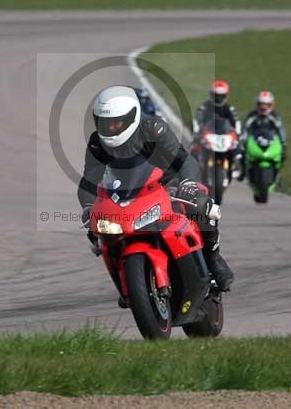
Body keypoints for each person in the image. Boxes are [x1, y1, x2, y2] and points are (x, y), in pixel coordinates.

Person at [78, 85, 234, 290]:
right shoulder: (97, 142)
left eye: (117, 122)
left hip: (169, 185)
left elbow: (185, 161)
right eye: (105, 123)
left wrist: (187, 184)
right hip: (126, 194)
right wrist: (89, 207)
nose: (111, 128)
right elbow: (89, 181)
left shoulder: (153, 128)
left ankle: (214, 259)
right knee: (100, 231)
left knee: (202, 206)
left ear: (132, 116)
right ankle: (127, 281)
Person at [237, 91, 286, 181]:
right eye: (261, 104)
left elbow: (281, 130)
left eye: (266, 105)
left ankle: (277, 173)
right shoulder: (252, 115)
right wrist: (242, 139)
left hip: (270, 140)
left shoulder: (275, 116)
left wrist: (283, 142)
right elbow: (245, 128)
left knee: (282, 153)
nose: (263, 107)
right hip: (254, 139)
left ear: (271, 105)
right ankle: (243, 171)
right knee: (242, 151)